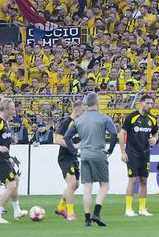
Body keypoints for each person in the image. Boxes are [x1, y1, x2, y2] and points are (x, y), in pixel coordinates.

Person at [63, 91, 119, 227]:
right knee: (104, 185)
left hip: (85, 154)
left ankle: (87, 219)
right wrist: (110, 149)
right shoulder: (104, 118)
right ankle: (96, 213)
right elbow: (113, 133)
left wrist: (74, 150)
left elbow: (66, 137)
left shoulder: (79, 120)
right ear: (97, 102)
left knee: (87, 186)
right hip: (99, 153)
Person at [0, 98, 26, 224]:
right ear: (7, 110)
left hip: (4, 157)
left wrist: (10, 140)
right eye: (13, 109)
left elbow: (1, 137)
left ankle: (17, 210)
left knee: (16, 180)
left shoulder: (5, 122)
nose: (15, 111)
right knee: (11, 185)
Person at [119, 94, 158, 217]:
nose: (149, 105)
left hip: (145, 153)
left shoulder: (152, 119)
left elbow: (156, 134)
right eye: (147, 103)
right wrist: (123, 152)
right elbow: (121, 134)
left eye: (151, 103)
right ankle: (129, 208)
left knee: (144, 180)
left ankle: (142, 209)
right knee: (132, 179)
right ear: (141, 102)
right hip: (132, 153)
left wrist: (155, 139)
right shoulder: (132, 117)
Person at [53, 101, 83, 221]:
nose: (84, 112)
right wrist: (74, 146)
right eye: (83, 110)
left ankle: (61, 207)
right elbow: (58, 139)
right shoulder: (67, 122)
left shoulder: (78, 123)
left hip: (73, 157)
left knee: (75, 185)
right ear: (77, 109)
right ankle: (70, 212)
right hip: (65, 157)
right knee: (71, 183)